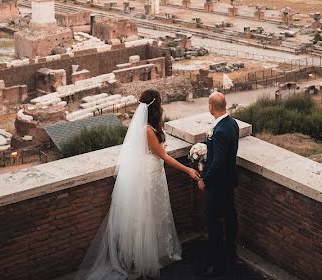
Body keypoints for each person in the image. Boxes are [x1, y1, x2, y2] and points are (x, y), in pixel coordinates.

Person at [75, 89, 201, 280]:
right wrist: (188, 170)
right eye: (160, 102)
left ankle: (155, 252)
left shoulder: (149, 127)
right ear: (155, 106)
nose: (163, 105)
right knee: (146, 216)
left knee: (156, 213)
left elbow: (154, 150)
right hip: (149, 177)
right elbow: (164, 156)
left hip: (153, 171)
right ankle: (143, 258)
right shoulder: (147, 130)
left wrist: (158, 149)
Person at [198, 92, 239, 277]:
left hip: (217, 185)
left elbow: (219, 161)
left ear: (211, 107)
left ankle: (216, 261)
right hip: (229, 181)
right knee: (230, 218)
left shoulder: (220, 130)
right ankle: (231, 254)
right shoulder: (232, 124)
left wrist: (205, 180)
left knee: (213, 222)